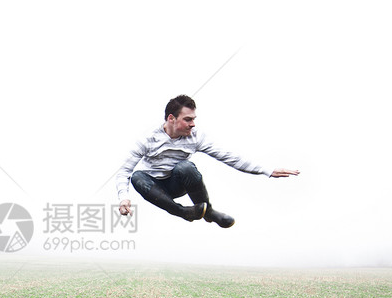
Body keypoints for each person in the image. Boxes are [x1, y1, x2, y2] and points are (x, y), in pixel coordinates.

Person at [116, 94, 299, 227]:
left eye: (194, 119)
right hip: (155, 188)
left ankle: (208, 212)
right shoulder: (148, 139)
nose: (193, 124)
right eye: (188, 119)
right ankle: (183, 212)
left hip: (177, 183)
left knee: (186, 167)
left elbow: (229, 156)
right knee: (137, 176)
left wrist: (266, 170)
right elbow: (124, 171)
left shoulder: (195, 137)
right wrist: (124, 198)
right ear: (171, 118)